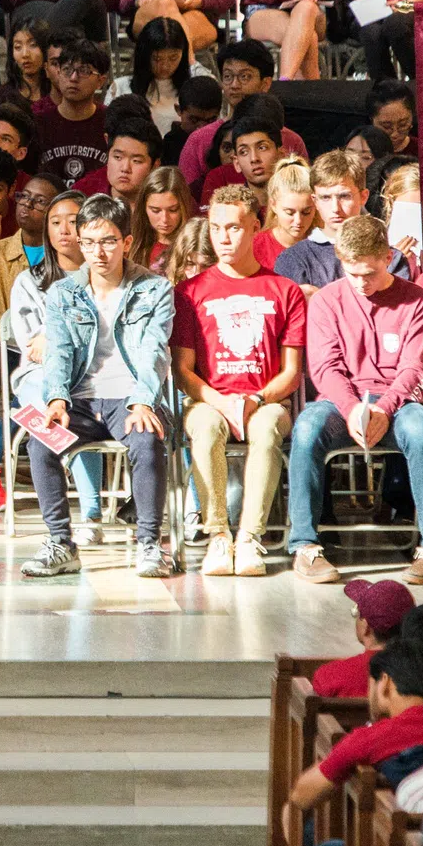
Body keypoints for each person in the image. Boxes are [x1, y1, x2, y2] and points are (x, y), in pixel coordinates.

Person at [17, 195, 178, 580]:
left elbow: (155, 353)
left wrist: (143, 402)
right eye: (88, 243)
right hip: (81, 399)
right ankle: (61, 542)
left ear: (126, 242)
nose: (97, 252)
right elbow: (58, 353)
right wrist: (55, 399)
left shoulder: (154, 289)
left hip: (131, 396)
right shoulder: (63, 293)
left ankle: (150, 544)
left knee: (146, 438)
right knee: (39, 440)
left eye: (107, 242)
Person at [285, 213, 423, 585]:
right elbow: (325, 367)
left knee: (421, 430)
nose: (360, 283)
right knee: (307, 427)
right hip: (343, 402)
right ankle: (305, 545)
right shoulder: (327, 300)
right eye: (351, 272)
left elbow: (414, 368)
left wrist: (383, 409)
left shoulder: (416, 301)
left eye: (369, 273)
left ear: (388, 257)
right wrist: (354, 408)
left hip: (397, 402)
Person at [174, 185, 308, 576]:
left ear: (254, 226)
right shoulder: (189, 292)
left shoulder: (284, 291)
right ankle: (218, 535)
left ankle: (249, 537)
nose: (223, 238)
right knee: (203, 427)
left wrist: (256, 399)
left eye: (233, 227)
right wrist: (220, 402)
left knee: (266, 429)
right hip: (209, 400)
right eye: (216, 228)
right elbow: (183, 371)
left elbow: (292, 371)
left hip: (267, 401)